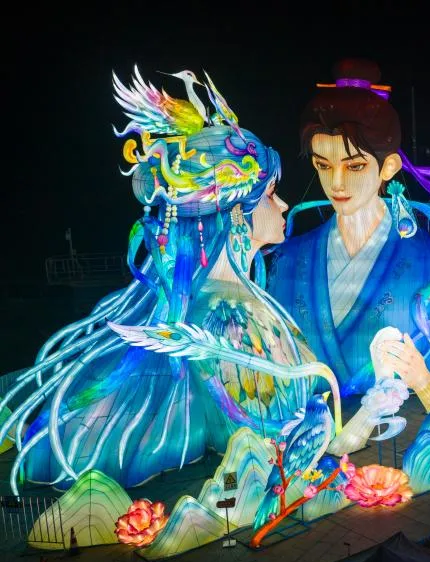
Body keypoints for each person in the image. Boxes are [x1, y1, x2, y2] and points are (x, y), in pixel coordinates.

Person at [0, 69, 337, 490]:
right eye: (270, 194)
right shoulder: (227, 318)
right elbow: (267, 431)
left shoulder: (237, 304)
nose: (285, 204)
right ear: (235, 212)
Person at [267, 59, 430, 399]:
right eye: (323, 165)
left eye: (354, 166)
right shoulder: (289, 258)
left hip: (401, 424)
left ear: (389, 166)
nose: (337, 183)